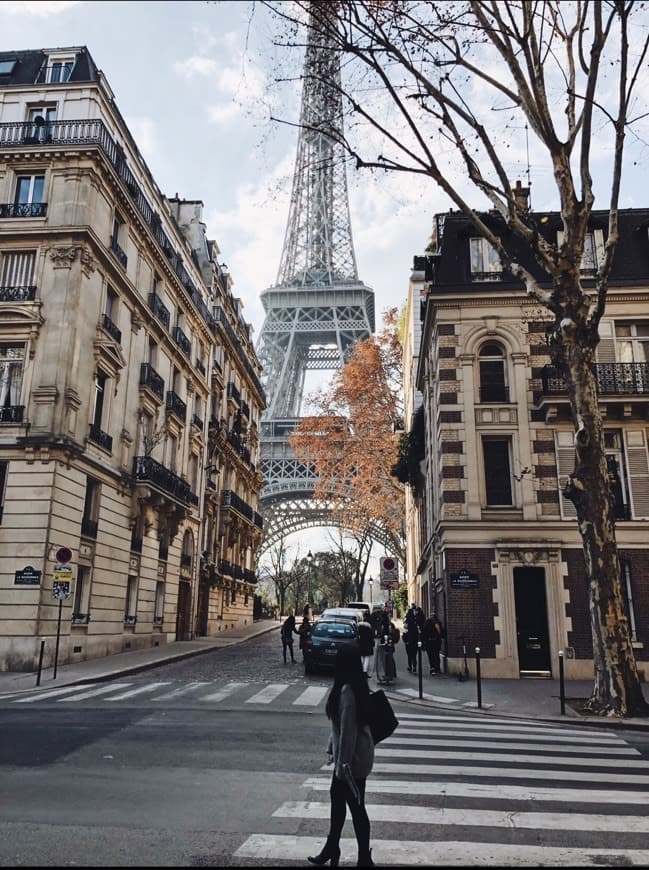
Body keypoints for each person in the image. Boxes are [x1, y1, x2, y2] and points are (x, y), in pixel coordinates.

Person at [308, 645, 375, 868]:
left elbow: (348, 732)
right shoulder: (354, 687)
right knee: (340, 803)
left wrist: (343, 766)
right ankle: (334, 847)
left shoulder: (347, 692)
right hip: (353, 758)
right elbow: (338, 727)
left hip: (352, 761)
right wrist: (330, 747)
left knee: (356, 808)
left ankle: (361, 856)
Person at [403, 604, 419, 674]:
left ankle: (410, 666)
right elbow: (418, 632)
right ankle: (415, 667)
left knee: (409, 654)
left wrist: (405, 640)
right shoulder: (415, 622)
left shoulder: (406, 623)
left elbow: (405, 632)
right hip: (414, 640)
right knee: (414, 654)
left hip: (408, 641)